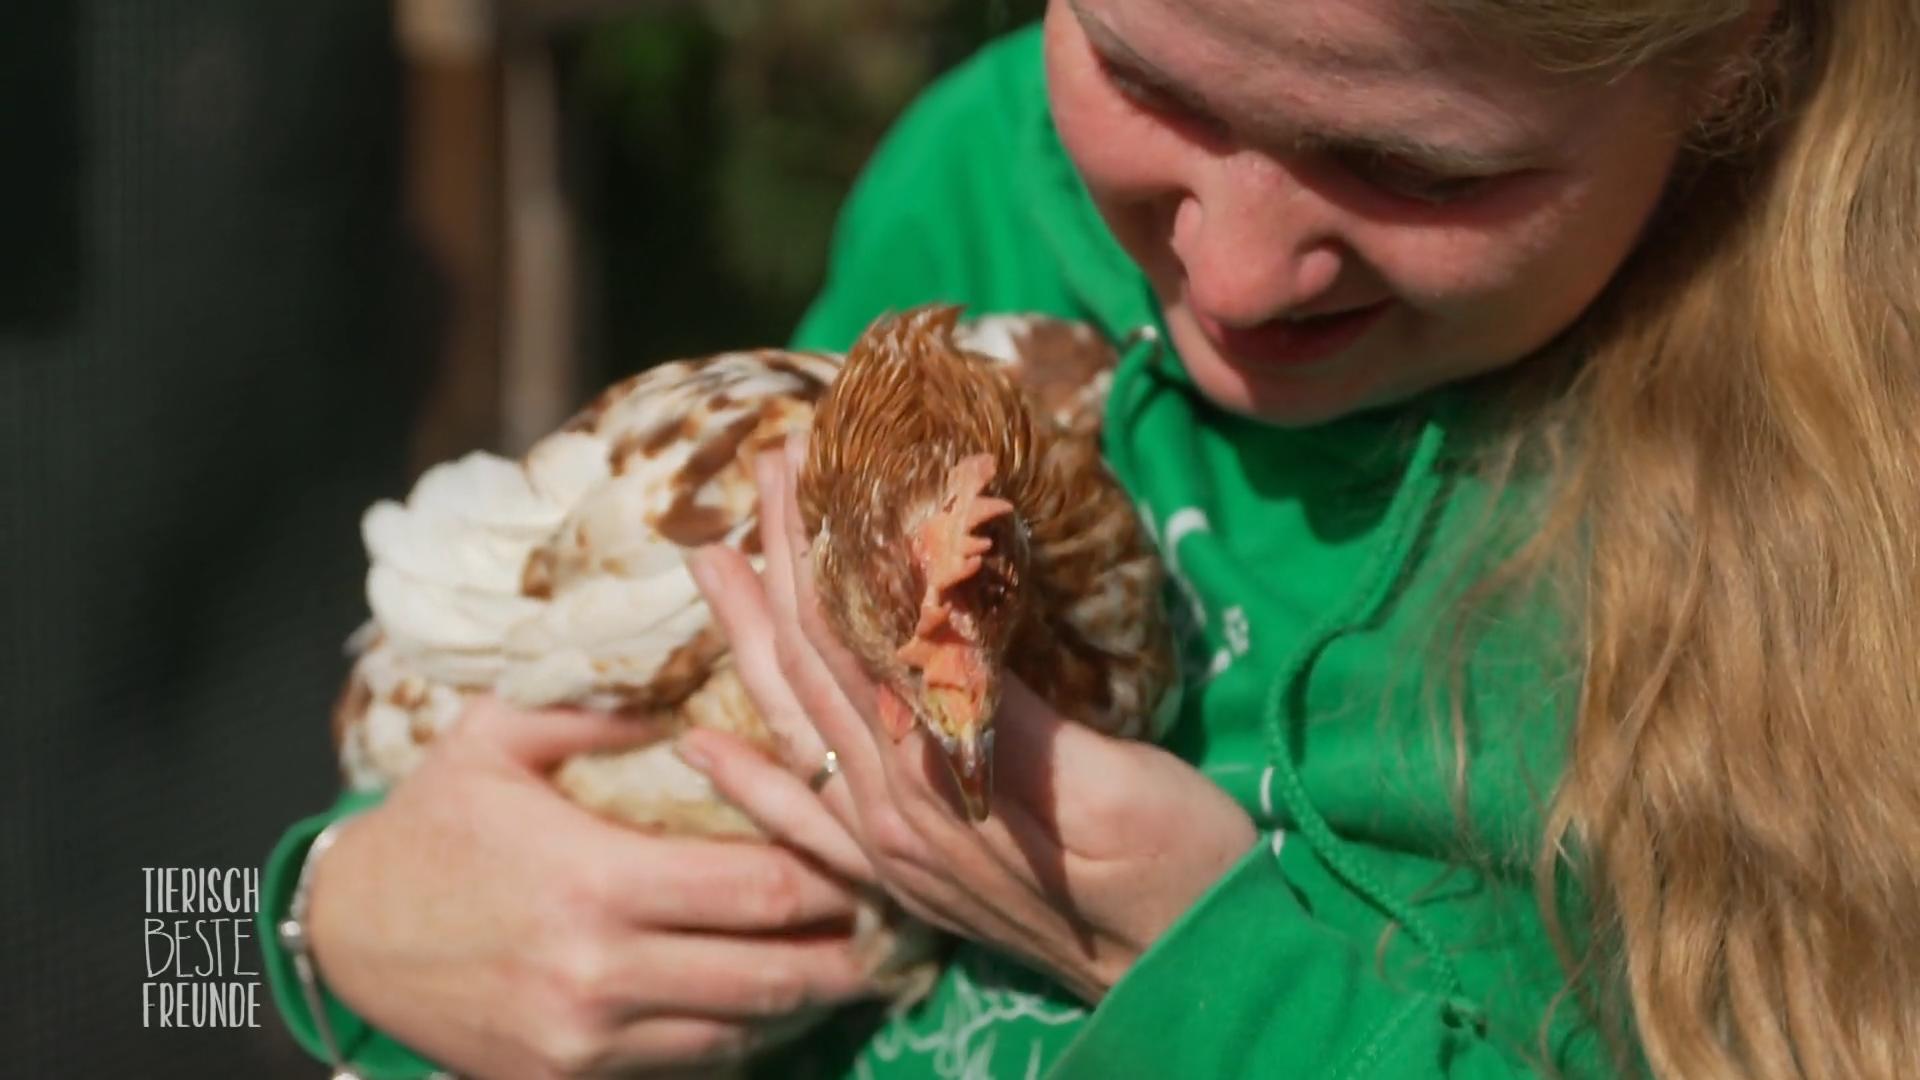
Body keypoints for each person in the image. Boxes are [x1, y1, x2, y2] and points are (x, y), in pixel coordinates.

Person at [259, 0, 1920, 1077]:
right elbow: (90, 953)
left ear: (1728, 62)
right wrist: (308, 927)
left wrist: (1211, 970)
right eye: (1145, 78)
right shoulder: (971, 206)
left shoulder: (1840, 507)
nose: (1238, 277)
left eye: (1416, 165)